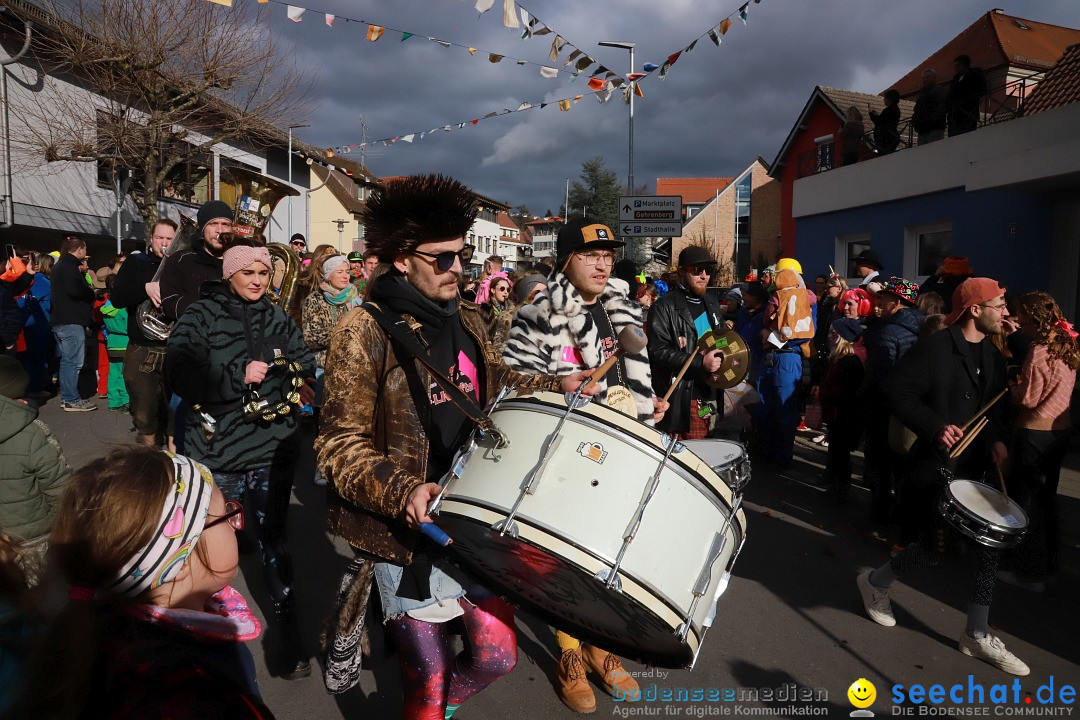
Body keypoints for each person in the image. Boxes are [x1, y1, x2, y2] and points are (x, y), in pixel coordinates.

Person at [315, 175, 597, 720]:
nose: (458, 269)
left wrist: (558, 386)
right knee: (429, 682)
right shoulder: (363, 329)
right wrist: (403, 491)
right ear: (401, 260)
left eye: (462, 256)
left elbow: (498, 384)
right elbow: (336, 444)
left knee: (496, 659)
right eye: (442, 259)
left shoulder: (465, 318)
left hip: (471, 520)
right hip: (404, 534)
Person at [504, 217, 659, 714]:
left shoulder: (619, 312)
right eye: (591, 254)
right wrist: (558, 386)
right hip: (560, 455)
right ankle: (570, 654)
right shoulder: (536, 315)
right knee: (564, 560)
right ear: (565, 260)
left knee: (610, 559)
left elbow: (634, 376)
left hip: (619, 450)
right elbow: (508, 388)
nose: (602, 262)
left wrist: (645, 405)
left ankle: (601, 646)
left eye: (608, 254)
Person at [9, 446, 275, 718]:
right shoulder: (191, 696)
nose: (236, 523)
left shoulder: (101, 631)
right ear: (178, 562)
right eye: (225, 516)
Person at [858, 277, 1028, 676]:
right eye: (1000, 305)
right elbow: (896, 392)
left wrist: (998, 441)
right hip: (935, 467)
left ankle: (977, 632)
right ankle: (876, 582)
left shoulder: (994, 355)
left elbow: (996, 413)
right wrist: (935, 426)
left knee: (988, 548)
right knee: (935, 549)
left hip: (974, 470)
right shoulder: (935, 347)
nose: (1006, 312)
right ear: (975, 309)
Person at [167, 237, 317, 680]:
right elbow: (179, 372)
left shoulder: (276, 315)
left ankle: (290, 641)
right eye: (248, 272)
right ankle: (201, 642)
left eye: (263, 272)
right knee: (209, 548)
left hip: (270, 447)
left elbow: (304, 360)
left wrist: (301, 381)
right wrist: (237, 375)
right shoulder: (200, 315)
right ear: (229, 273)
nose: (256, 280)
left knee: (276, 541)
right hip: (216, 452)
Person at [1000, 291, 1079, 591]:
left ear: (1032, 317)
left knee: (1027, 502)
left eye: (1020, 313)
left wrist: (1012, 384)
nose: (1016, 318)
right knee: (1048, 500)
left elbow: (1029, 398)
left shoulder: (1039, 349)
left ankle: (1026, 571)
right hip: (1061, 431)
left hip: (1035, 431)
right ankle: (1048, 567)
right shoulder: (1066, 340)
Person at [0, 355, 71, 583]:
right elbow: (60, 486)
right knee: (41, 596)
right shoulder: (32, 432)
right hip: (34, 537)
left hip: (4, 539)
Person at [859, 277, 922, 530]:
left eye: (882, 299)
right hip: (910, 408)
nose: (878, 303)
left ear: (896, 302)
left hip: (883, 408)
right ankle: (902, 516)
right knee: (903, 466)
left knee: (880, 465)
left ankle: (879, 517)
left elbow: (877, 377)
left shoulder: (888, 332)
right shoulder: (924, 327)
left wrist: (862, 397)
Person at [646, 245, 725, 441]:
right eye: (698, 270)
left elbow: (720, 339)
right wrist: (700, 362)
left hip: (711, 392)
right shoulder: (664, 306)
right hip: (684, 397)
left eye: (708, 270)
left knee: (710, 454)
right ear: (681, 272)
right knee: (689, 458)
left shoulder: (711, 301)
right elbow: (657, 351)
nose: (704, 276)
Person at [111, 218, 176, 446]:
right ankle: (147, 464)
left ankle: (175, 463)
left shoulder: (179, 265)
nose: (165, 243)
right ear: (152, 239)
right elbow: (117, 299)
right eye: (160, 238)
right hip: (142, 348)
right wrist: (144, 288)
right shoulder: (136, 262)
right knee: (143, 413)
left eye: (170, 239)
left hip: (173, 348)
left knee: (174, 414)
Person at [301, 254, 362, 486]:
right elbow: (311, 336)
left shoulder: (357, 298)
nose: (345, 275)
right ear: (328, 275)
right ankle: (323, 465)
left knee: (349, 420)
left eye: (347, 271)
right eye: (340, 272)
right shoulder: (315, 300)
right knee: (325, 421)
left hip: (353, 367)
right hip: (324, 368)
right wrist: (344, 331)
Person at [757, 259, 816, 467]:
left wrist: (773, 336)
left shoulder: (805, 300)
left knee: (784, 410)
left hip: (787, 356)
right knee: (767, 406)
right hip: (775, 357)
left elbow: (807, 331)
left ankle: (781, 457)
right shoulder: (784, 296)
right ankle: (770, 452)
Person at [159, 200, 232, 324]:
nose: (220, 230)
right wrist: (211, 305)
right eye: (213, 224)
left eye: (225, 224)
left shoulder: (241, 261)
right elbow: (170, 305)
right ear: (202, 230)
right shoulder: (180, 259)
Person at [818, 318, 865, 503]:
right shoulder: (838, 359)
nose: (829, 336)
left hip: (844, 417)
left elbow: (846, 392)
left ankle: (840, 490)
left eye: (833, 333)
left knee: (841, 454)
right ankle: (834, 484)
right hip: (836, 415)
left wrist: (826, 392)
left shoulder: (850, 362)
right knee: (836, 452)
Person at [49, 236, 95, 411]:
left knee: (67, 360)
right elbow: (75, 290)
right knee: (73, 361)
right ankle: (71, 399)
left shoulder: (60, 265)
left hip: (61, 319)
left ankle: (68, 397)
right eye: (85, 249)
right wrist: (90, 293)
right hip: (70, 320)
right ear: (80, 249)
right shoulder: (70, 266)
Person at [15, 253, 50, 398]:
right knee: (37, 359)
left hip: (21, 326)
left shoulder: (17, 281)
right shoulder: (43, 282)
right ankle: (35, 388)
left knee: (23, 360)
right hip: (36, 326)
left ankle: (25, 389)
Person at [98, 279, 130, 413]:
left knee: (113, 372)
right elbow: (128, 326)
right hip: (124, 342)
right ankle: (125, 401)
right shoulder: (122, 309)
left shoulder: (106, 308)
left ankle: (113, 401)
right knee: (124, 373)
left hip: (112, 342)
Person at [947, 54, 987, 136]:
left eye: (957, 66)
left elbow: (982, 90)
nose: (955, 68)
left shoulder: (975, 75)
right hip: (955, 116)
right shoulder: (955, 80)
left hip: (968, 113)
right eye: (954, 66)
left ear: (964, 65)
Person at [478, 273, 515, 354]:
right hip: (491, 352)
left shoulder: (512, 308)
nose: (505, 292)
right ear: (493, 290)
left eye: (508, 289)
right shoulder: (485, 309)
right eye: (502, 289)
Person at [911, 68, 948, 145]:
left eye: (927, 77)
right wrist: (915, 122)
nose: (924, 79)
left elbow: (941, 107)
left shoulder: (940, 90)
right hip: (922, 129)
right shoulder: (922, 95)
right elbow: (917, 110)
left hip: (935, 128)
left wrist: (932, 119)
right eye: (923, 78)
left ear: (934, 78)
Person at [869, 89, 901, 155]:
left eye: (885, 98)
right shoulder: (897, 110)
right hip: (892, 138)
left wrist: (871, 115)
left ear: (889, 99)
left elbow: (880, 122)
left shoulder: (888, 110)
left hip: (884, 139)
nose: (883, 100)